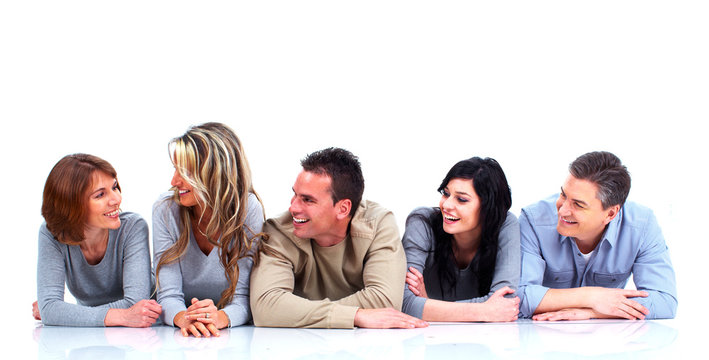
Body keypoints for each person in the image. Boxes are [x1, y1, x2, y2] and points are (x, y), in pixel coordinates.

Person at [250, 147, 428, 329]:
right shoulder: (279, 230)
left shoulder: (377, 224)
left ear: (343, 209)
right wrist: (356, 315)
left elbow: (385, 301)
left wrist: (294, 312)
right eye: (295, 194)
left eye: (307, 200)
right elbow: (266, 307)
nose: (293, 208)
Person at [518, 151, 677, 320]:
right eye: (563, 195)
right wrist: (592, 297)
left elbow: (664, 301)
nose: (562, 210)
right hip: (542, 338)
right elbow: (518, 297)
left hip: (610, 340)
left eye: (578, 205)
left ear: (610, 214)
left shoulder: (642, 226)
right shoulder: (533, 221)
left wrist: (593, 312)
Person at [153, 122, 265, 337]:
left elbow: (243, 298)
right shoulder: (165, 210)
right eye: (175, 169)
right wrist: (183, 318)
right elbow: (167, 296)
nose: (174, 181)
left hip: (228, 336)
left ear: (214, 173)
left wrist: (219, 318)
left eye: (184, 171)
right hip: (180, 332)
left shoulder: (249, 209)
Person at [35, 154, 161, 327]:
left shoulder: (132, 227)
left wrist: (66, 313)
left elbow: (136, 305)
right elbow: (50, 310)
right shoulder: (51, 234)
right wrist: (121, 316)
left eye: (115, 187)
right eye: (100, 195)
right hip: (99, 335)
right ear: (72, 205)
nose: (116, 199)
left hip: (149, 331)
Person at [402, 157, 520, 322]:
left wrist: (427, 304)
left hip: (487, 341)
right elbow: (405, 303)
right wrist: (484, 311)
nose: (446, 205)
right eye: (446, 193)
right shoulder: (422, 223)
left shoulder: (506, 224)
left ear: (488, 208)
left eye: (462, 199)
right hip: (428, 340)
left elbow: (506, 304)